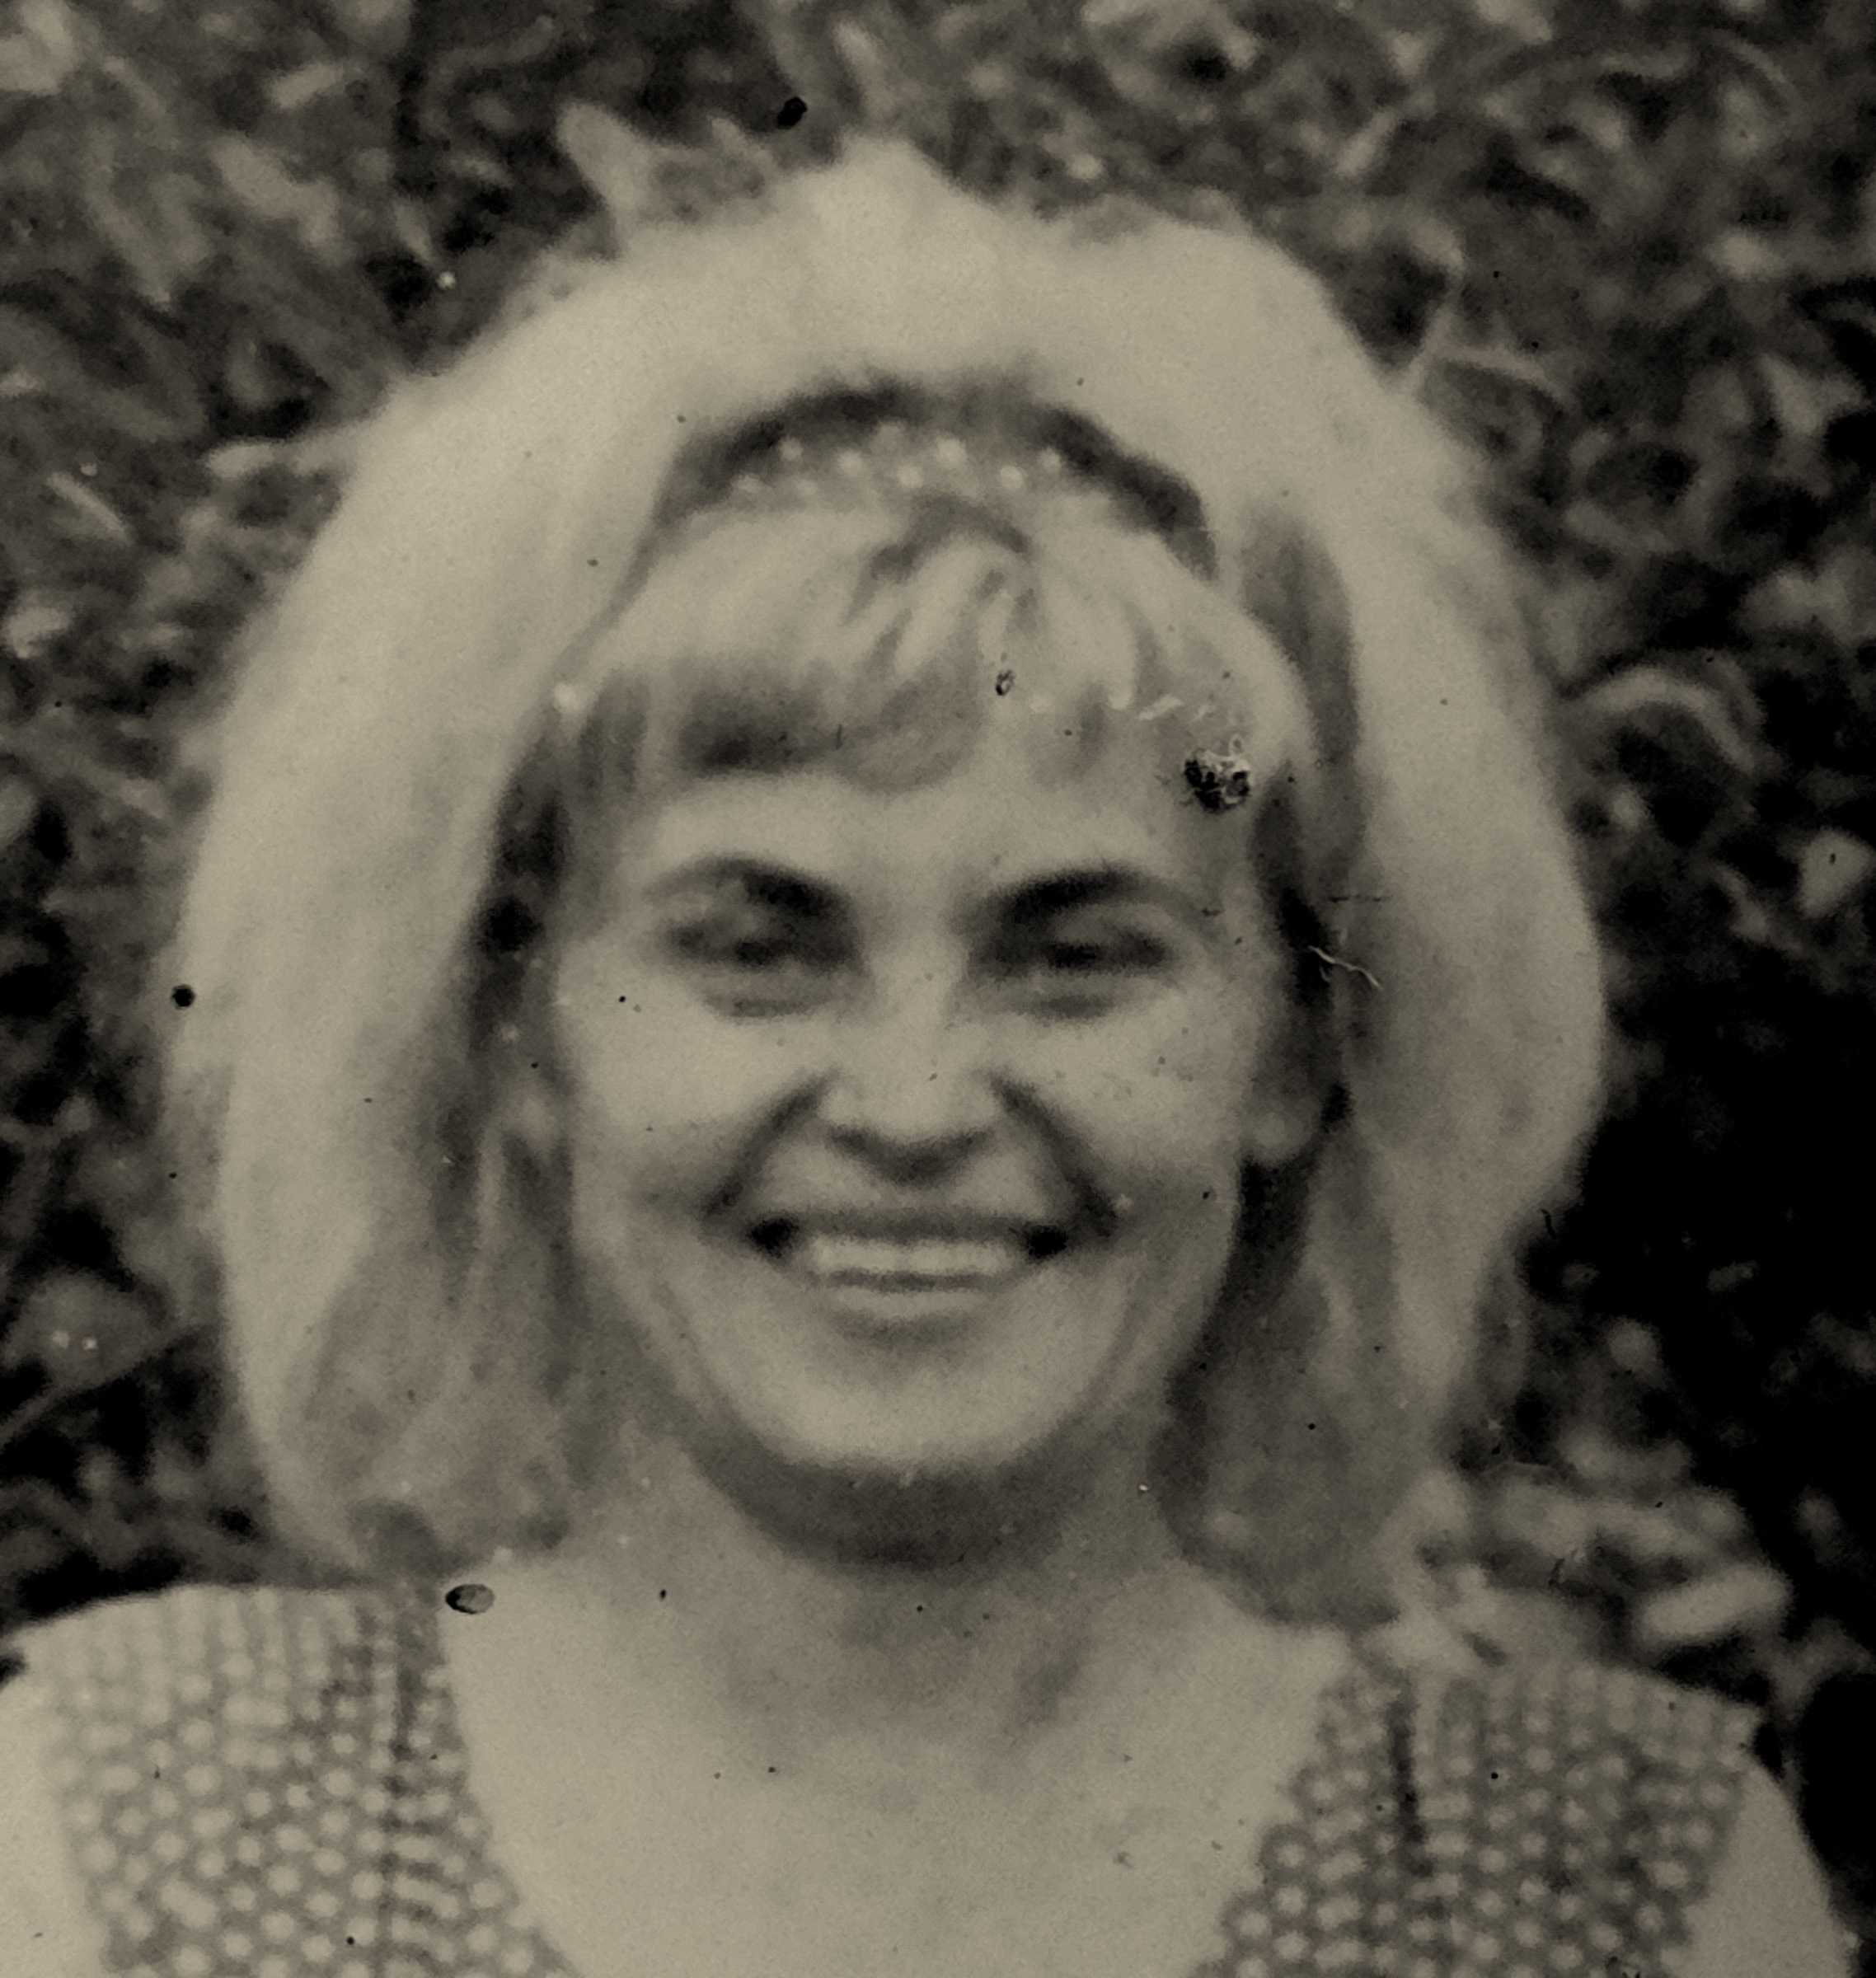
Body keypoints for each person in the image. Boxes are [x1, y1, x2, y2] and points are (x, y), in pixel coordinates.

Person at [0, 127, 1849, 1978]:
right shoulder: (121, 1841)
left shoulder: (1615, 1900)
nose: (912, 1104)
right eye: (759, 948)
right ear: (514, 1029)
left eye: (1076, 956)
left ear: (1297, 1046)